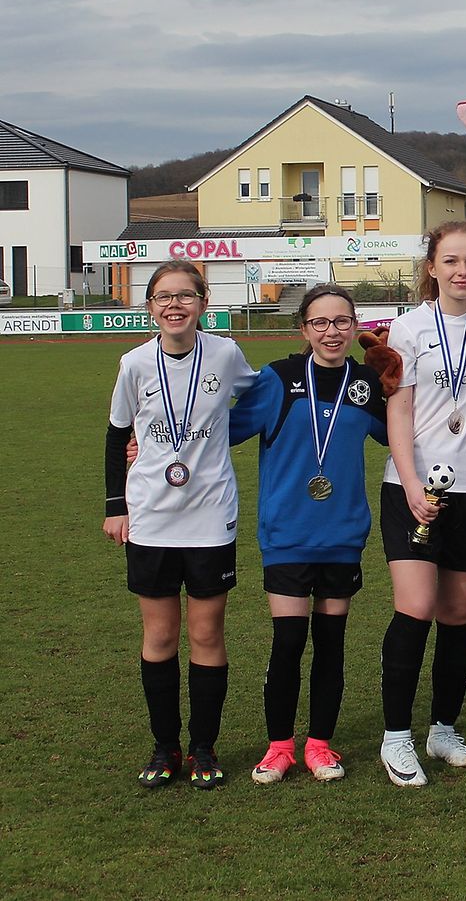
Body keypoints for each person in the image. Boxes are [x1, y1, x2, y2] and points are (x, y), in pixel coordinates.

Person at [103, 260, 257, 789]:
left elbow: (258, 397)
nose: (175, 305)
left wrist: (222, 433)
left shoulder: (226, 354)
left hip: (211, 514)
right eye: (164, 296)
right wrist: (116, 506)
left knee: (207, 632)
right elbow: (116, 434)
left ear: (203, 303)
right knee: (160, 634)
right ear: (150, 307)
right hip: (150, 515)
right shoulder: (134, 364)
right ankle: (165, 746)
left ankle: (203, 748)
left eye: (186, 295)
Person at [228, 284, 387, 784]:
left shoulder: (367, 383)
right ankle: (279, 747)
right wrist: (149, 443)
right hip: (287, 535)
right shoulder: (278, 378)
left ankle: (320, 745)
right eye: (320, 322)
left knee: (331, 643)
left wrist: (404, 378)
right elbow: (222, 430)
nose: (331, 332)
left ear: (355, 326)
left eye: (341, 322)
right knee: (288, 641)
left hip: (342, 535)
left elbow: (402, 432)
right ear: (304, 328)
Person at [377, 219, 466, 786]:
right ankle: (396, 737)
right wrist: (410, 485)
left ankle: (443, 729)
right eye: (450, 261)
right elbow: (398, 410)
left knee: (458, 613)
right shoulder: (408, 329)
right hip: (412, 488)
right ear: (432, 267)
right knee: (416, 606)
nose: (461, 271)